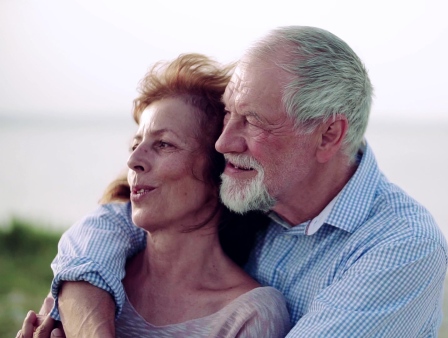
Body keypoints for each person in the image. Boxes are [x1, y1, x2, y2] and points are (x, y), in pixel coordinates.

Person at [31, 26, 448, 337]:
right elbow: (108, 225)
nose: (223, 141)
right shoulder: (261, 190)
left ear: (327, 135)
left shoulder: (402, 246)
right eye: (230, 113)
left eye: (252, 120)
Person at [18, 53, 290, 337]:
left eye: (163, 144)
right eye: (136, 144)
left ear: (220, 171)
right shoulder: (89, 286)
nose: (134, 160)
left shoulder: (250, 314)